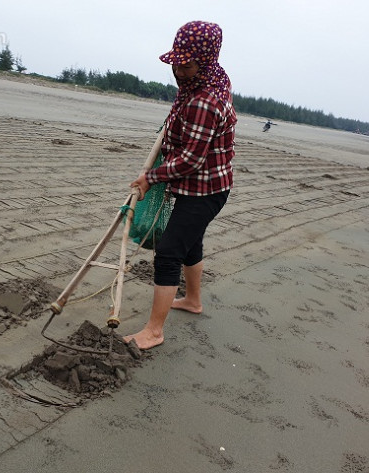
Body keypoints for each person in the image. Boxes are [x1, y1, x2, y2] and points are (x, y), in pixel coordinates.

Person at [124, 21, 236, 350]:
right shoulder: (209, 77)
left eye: (185, 65)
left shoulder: (204, 100)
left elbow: (190, 160)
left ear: (205, 60)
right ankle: (193, 301)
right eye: (176, 63)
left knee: (170, 252)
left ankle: (154, 331)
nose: (178, 71)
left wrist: (151, 177)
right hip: (203, 184)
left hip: (205, 188)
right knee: (190, 242)